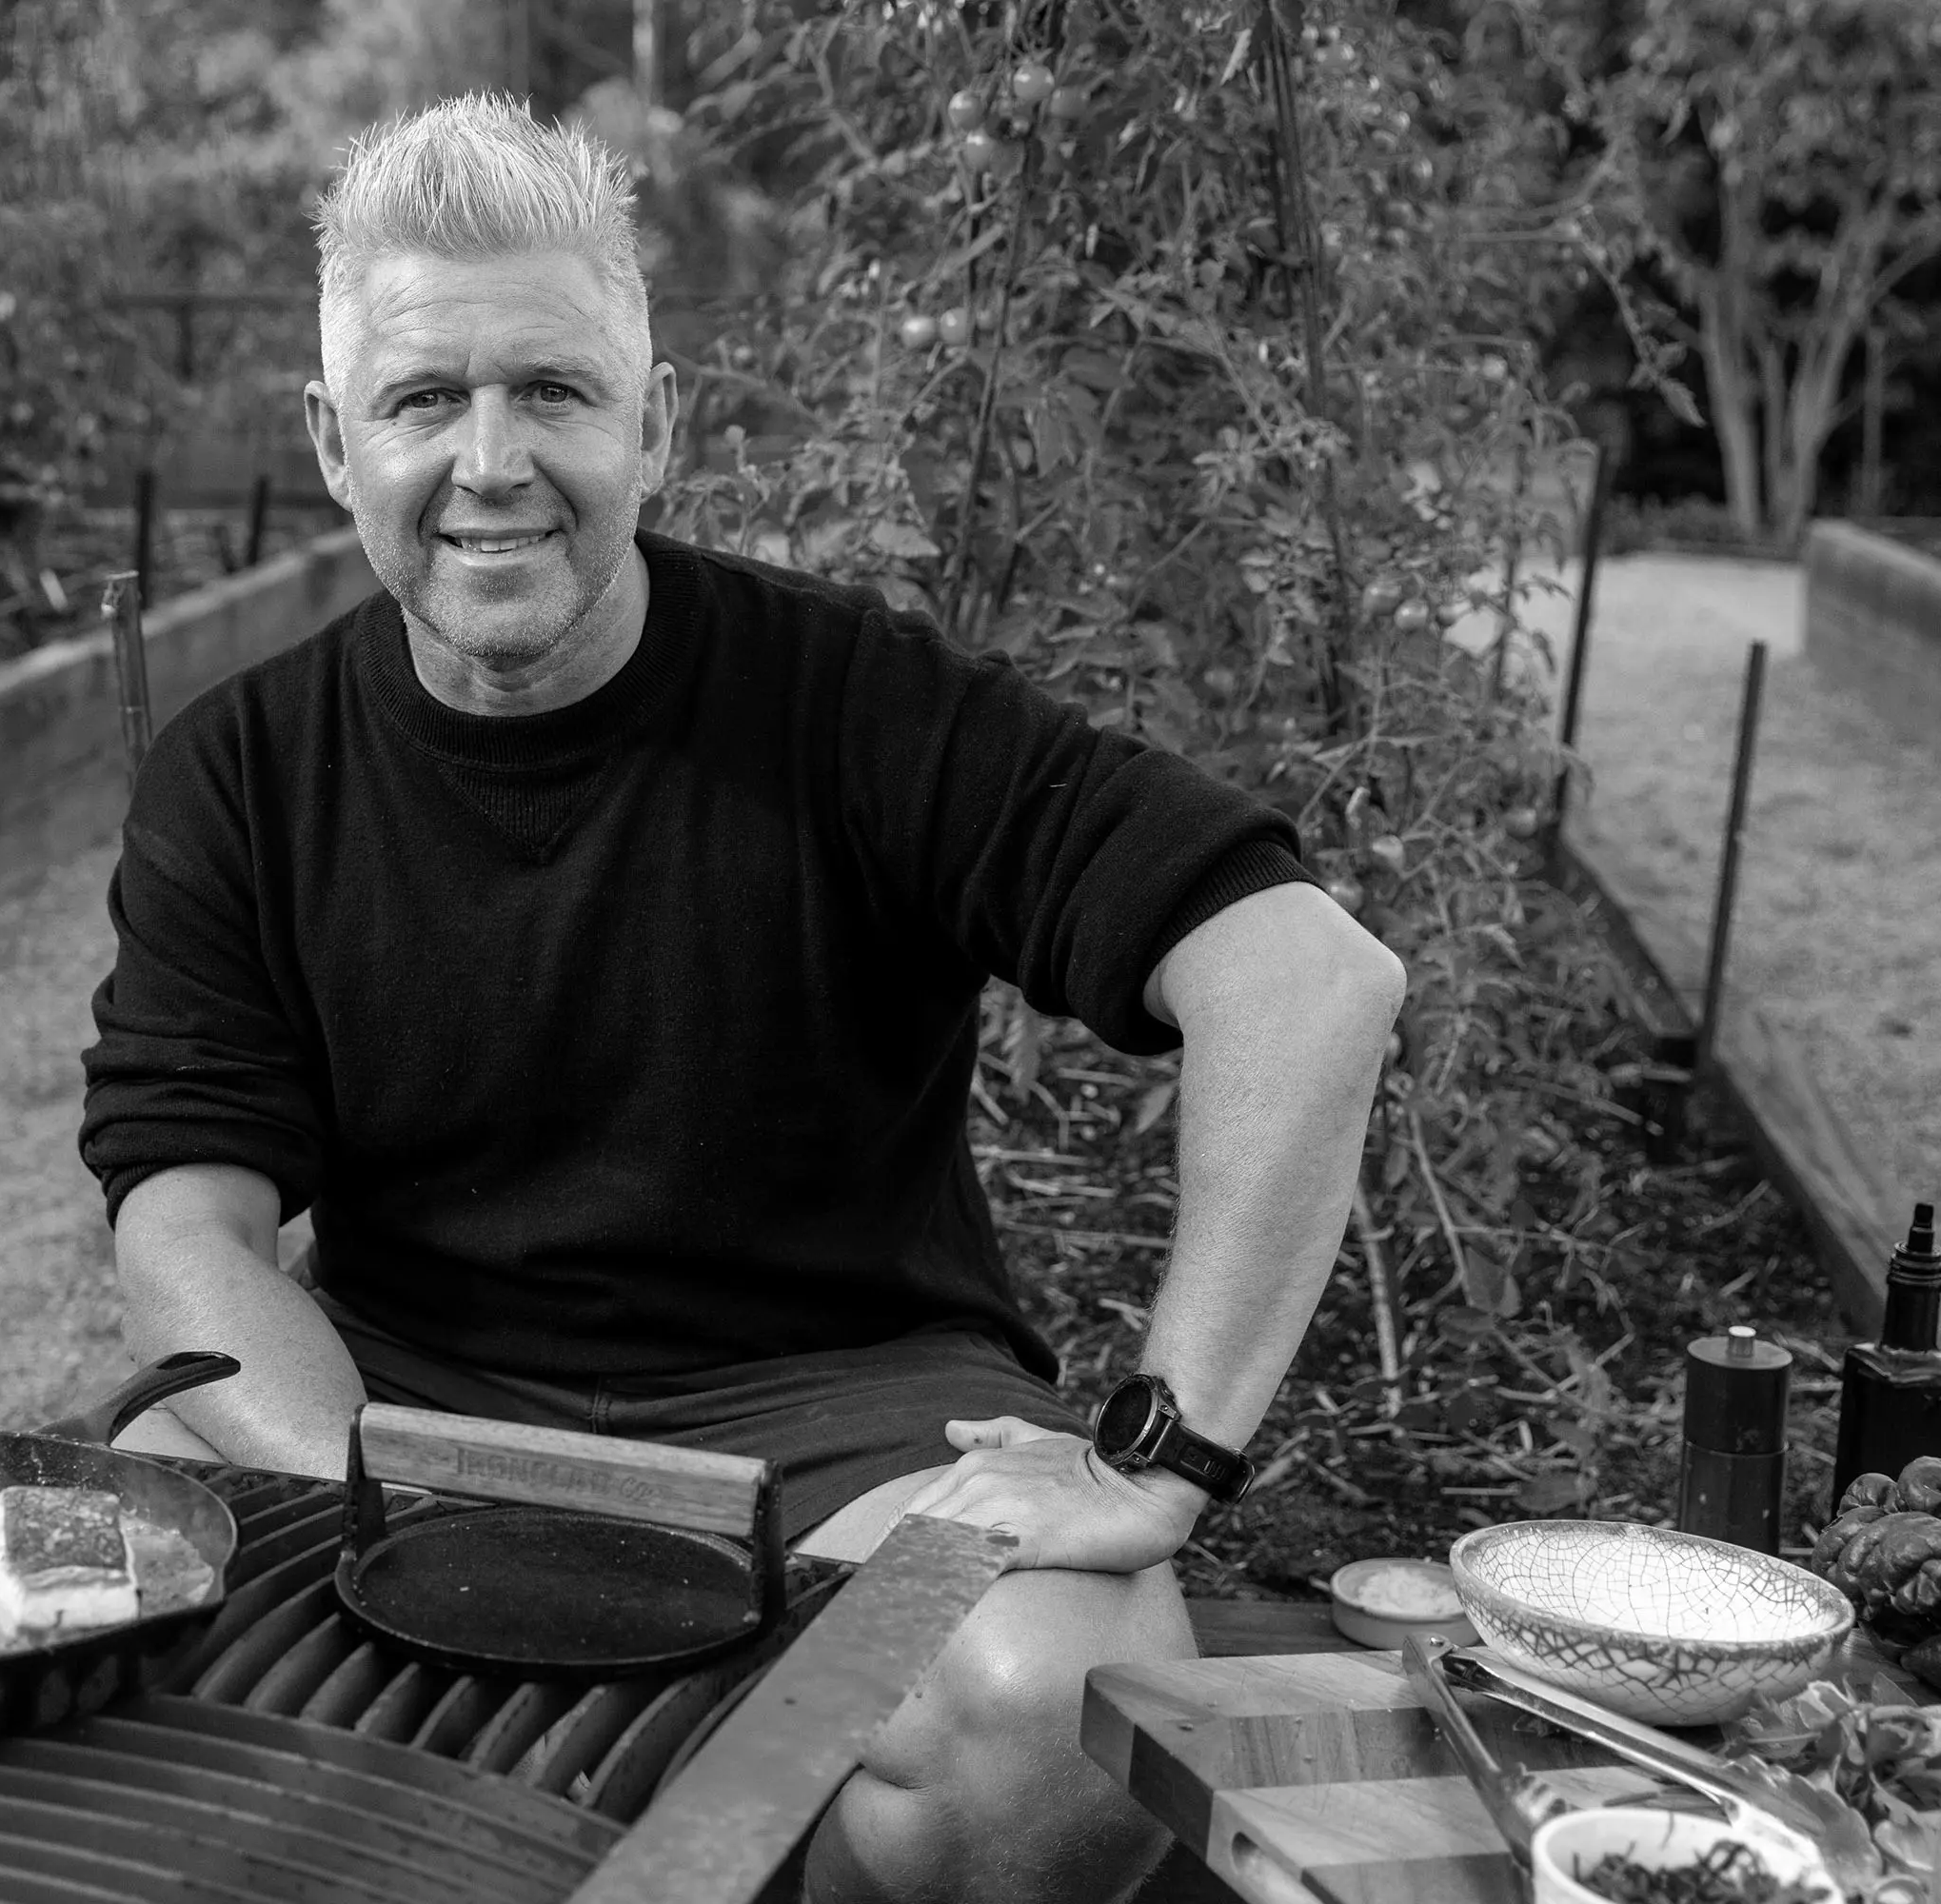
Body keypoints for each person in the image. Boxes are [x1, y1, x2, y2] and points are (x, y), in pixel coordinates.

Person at [79, 93, 1405, 1904]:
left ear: (658, 421)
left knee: (1046, 1709)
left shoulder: (853, 704)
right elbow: (189, 1228)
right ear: (332, 440)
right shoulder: (240, 772)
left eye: (551, 389)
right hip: (404, 1399)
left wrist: (1161, 1461)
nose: (488, 462)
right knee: (121, 1550)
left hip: (848, 1420)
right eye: (420, 400)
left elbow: (1307, 978)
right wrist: (399, 1492)